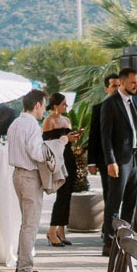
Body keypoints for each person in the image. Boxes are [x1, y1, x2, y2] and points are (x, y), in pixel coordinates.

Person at [98, 67, 137, 253]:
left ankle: (126, 240)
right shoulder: (110, 104)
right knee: (114, 200)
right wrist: (110, 161)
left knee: (131, 201)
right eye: (133, 82)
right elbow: (106, 136)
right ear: (123, 82)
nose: (136, 86)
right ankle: (109, 242)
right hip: (120, 159)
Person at [7, 89, 52, 272]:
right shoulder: (32, 125)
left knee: (26, 223)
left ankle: (22, 266)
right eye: (44, 105)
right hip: (29, 175)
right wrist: (54, 147)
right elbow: (37, 153)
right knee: (30, 224)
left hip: (18, 174)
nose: (44, 110)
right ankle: (25, 268)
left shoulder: (16, 123)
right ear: (37, 105)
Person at [43, 92, 81, 247]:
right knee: (61, 195)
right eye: (64, 104)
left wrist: (74, 136)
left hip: (69, 158)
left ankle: (61, 229)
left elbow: (68, 142)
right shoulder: (49, 121)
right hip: (58, 159)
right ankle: (52, 230)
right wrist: (64, 139)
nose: (66, 106)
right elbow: (47, 144)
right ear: (55, 105)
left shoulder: (66, 120)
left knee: (67, 195)